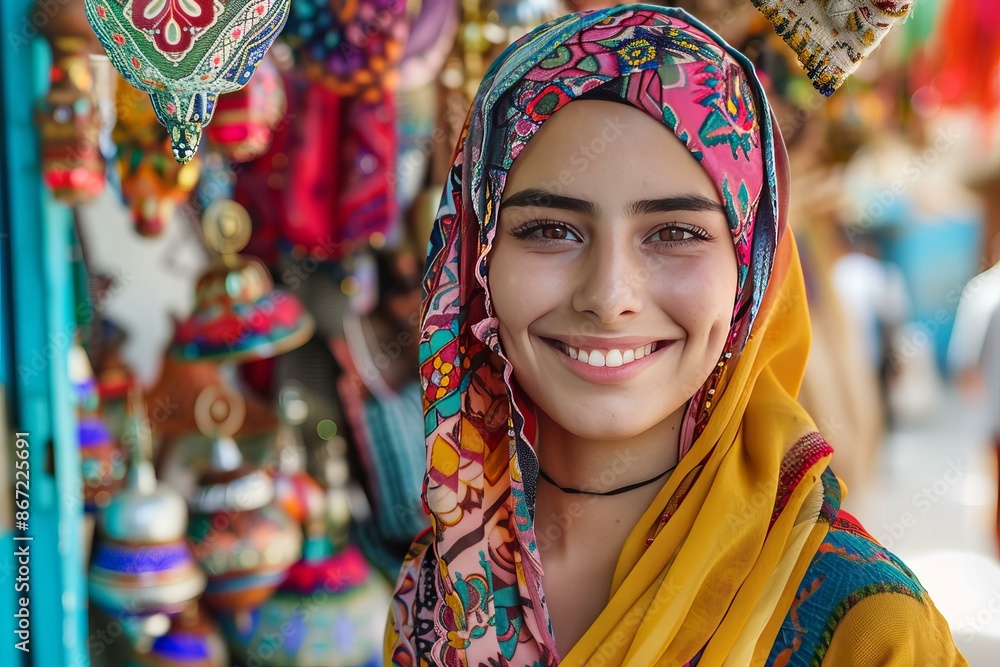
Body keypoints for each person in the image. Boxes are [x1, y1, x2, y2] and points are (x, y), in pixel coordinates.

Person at [385, 5, 966, 665]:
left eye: (675, 233)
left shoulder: (871, 628)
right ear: (478, 263)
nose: (608, 298)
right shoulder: (438, 585)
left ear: (750, 273)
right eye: (549, 229)